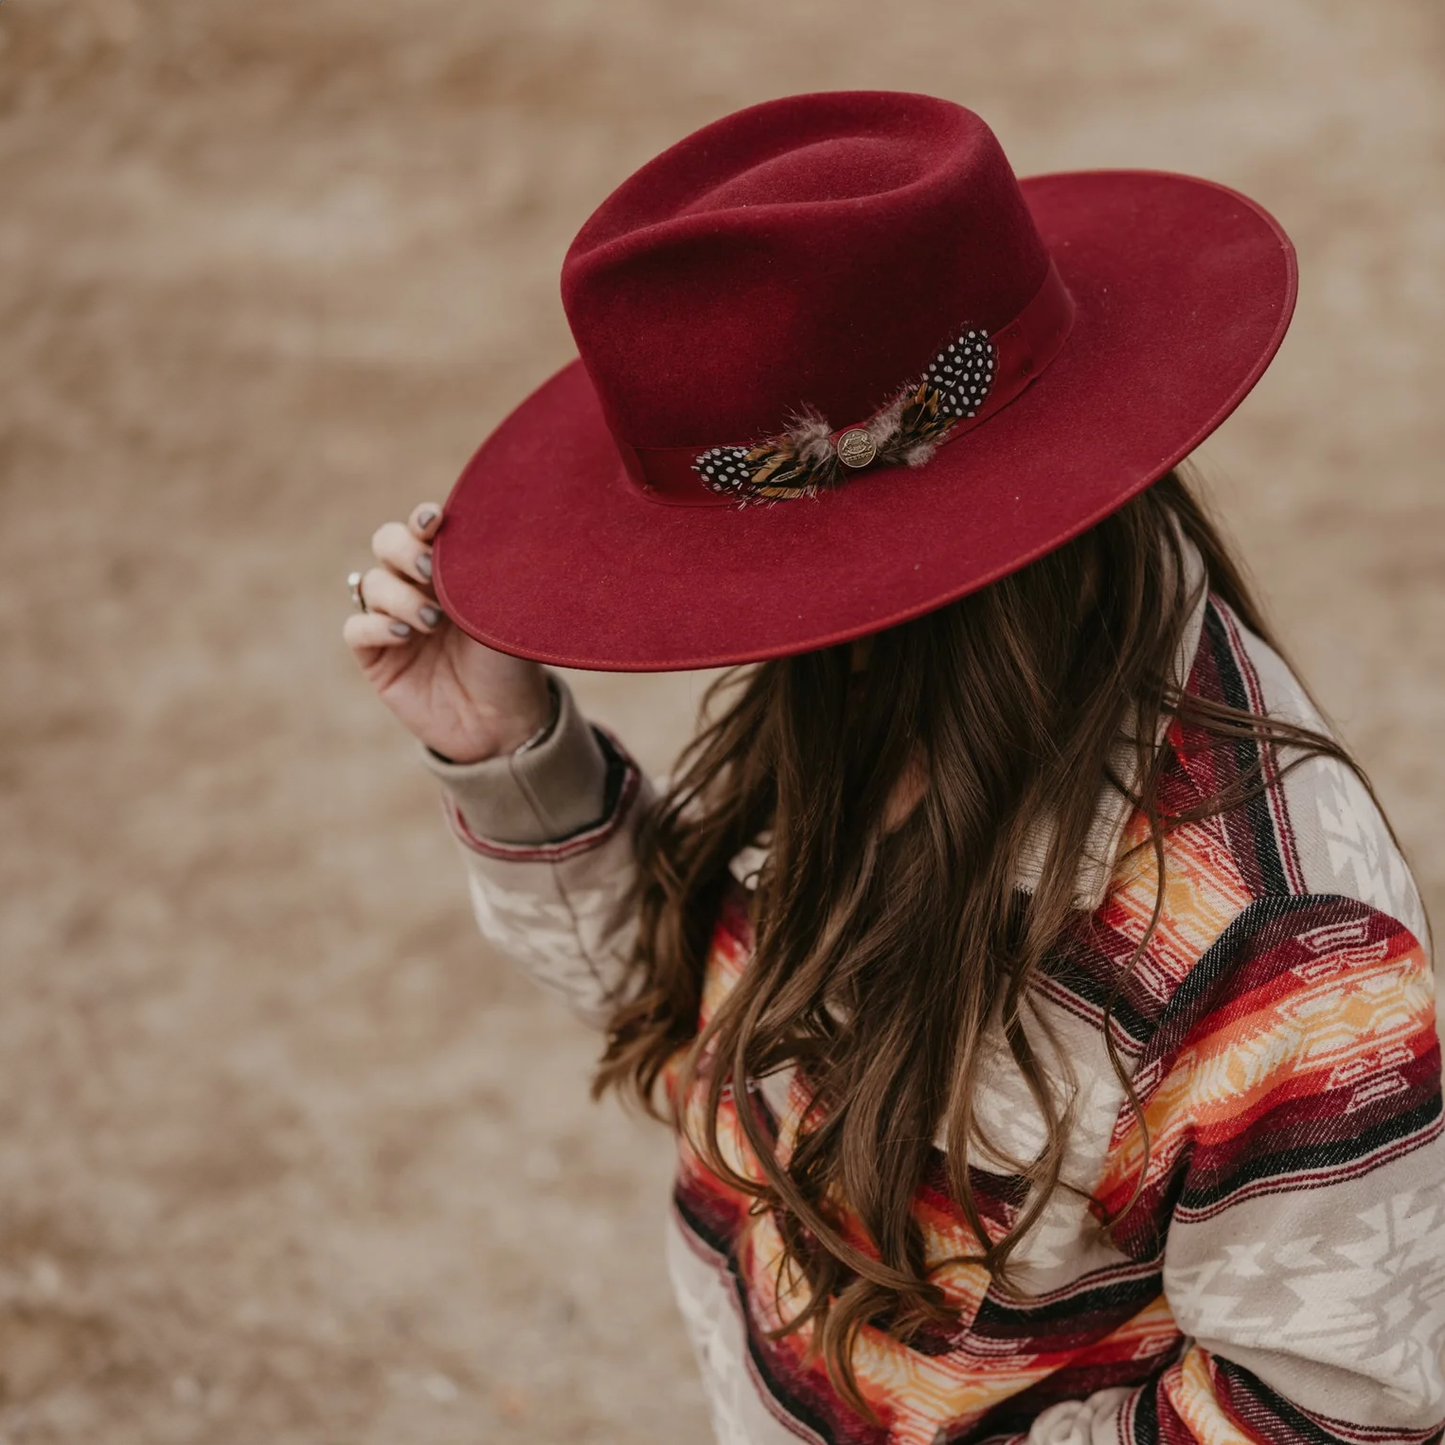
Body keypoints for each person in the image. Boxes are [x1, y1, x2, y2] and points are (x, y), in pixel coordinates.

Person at [343, 93, 1444, 1444]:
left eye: (746, 574)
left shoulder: (1272, 954)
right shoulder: (833, 684)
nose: (723, 622)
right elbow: (700, 1011)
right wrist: (506, 752)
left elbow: (1327, 1413)